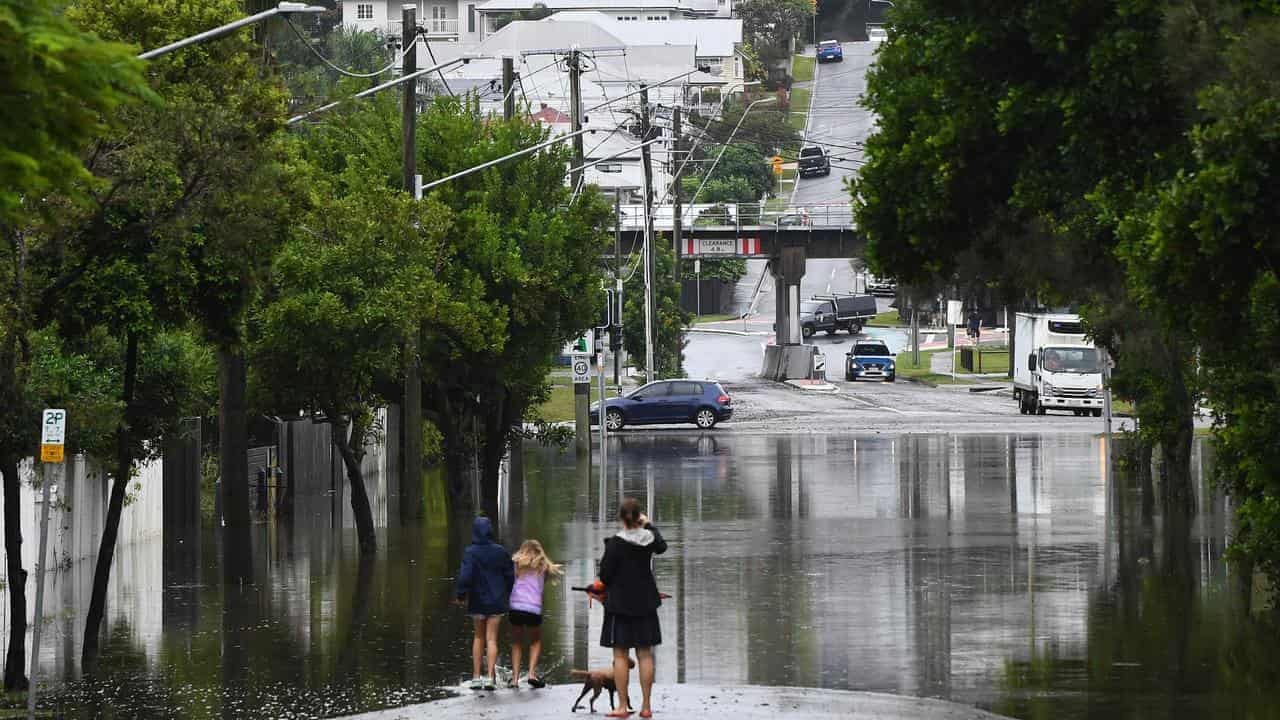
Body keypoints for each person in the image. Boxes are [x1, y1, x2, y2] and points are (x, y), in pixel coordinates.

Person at [598, 497, 667, 719]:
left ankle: (622, 706)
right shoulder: (649, 539)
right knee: (645, 654)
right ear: (639, 517)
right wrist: (648, 524)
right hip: (645, 602)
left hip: (620, 605)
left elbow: (605, 576)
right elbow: (662, 546)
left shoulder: (615, 544)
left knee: (620, 655)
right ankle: (646, 706)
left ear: (620, 518)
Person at [454, 516, 514, 691]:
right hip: (497, 601)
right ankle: (490, 678)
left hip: (477, 601)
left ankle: (475, 677)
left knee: (478, 637)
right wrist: (508, 592)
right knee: (492, 638)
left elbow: (465, 576)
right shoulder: (500, 551)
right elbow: (510, 575)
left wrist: (461, 594)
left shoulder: (470, 552)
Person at [508, 539, 563, 689]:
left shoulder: (516, 564)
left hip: (516, 607)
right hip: (533, 609)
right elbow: (540, 589)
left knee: (517, 642)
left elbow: (511, 582)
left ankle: (514, 678)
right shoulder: (543, 567)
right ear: (540, 552)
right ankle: (532, 674)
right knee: (535, 641)